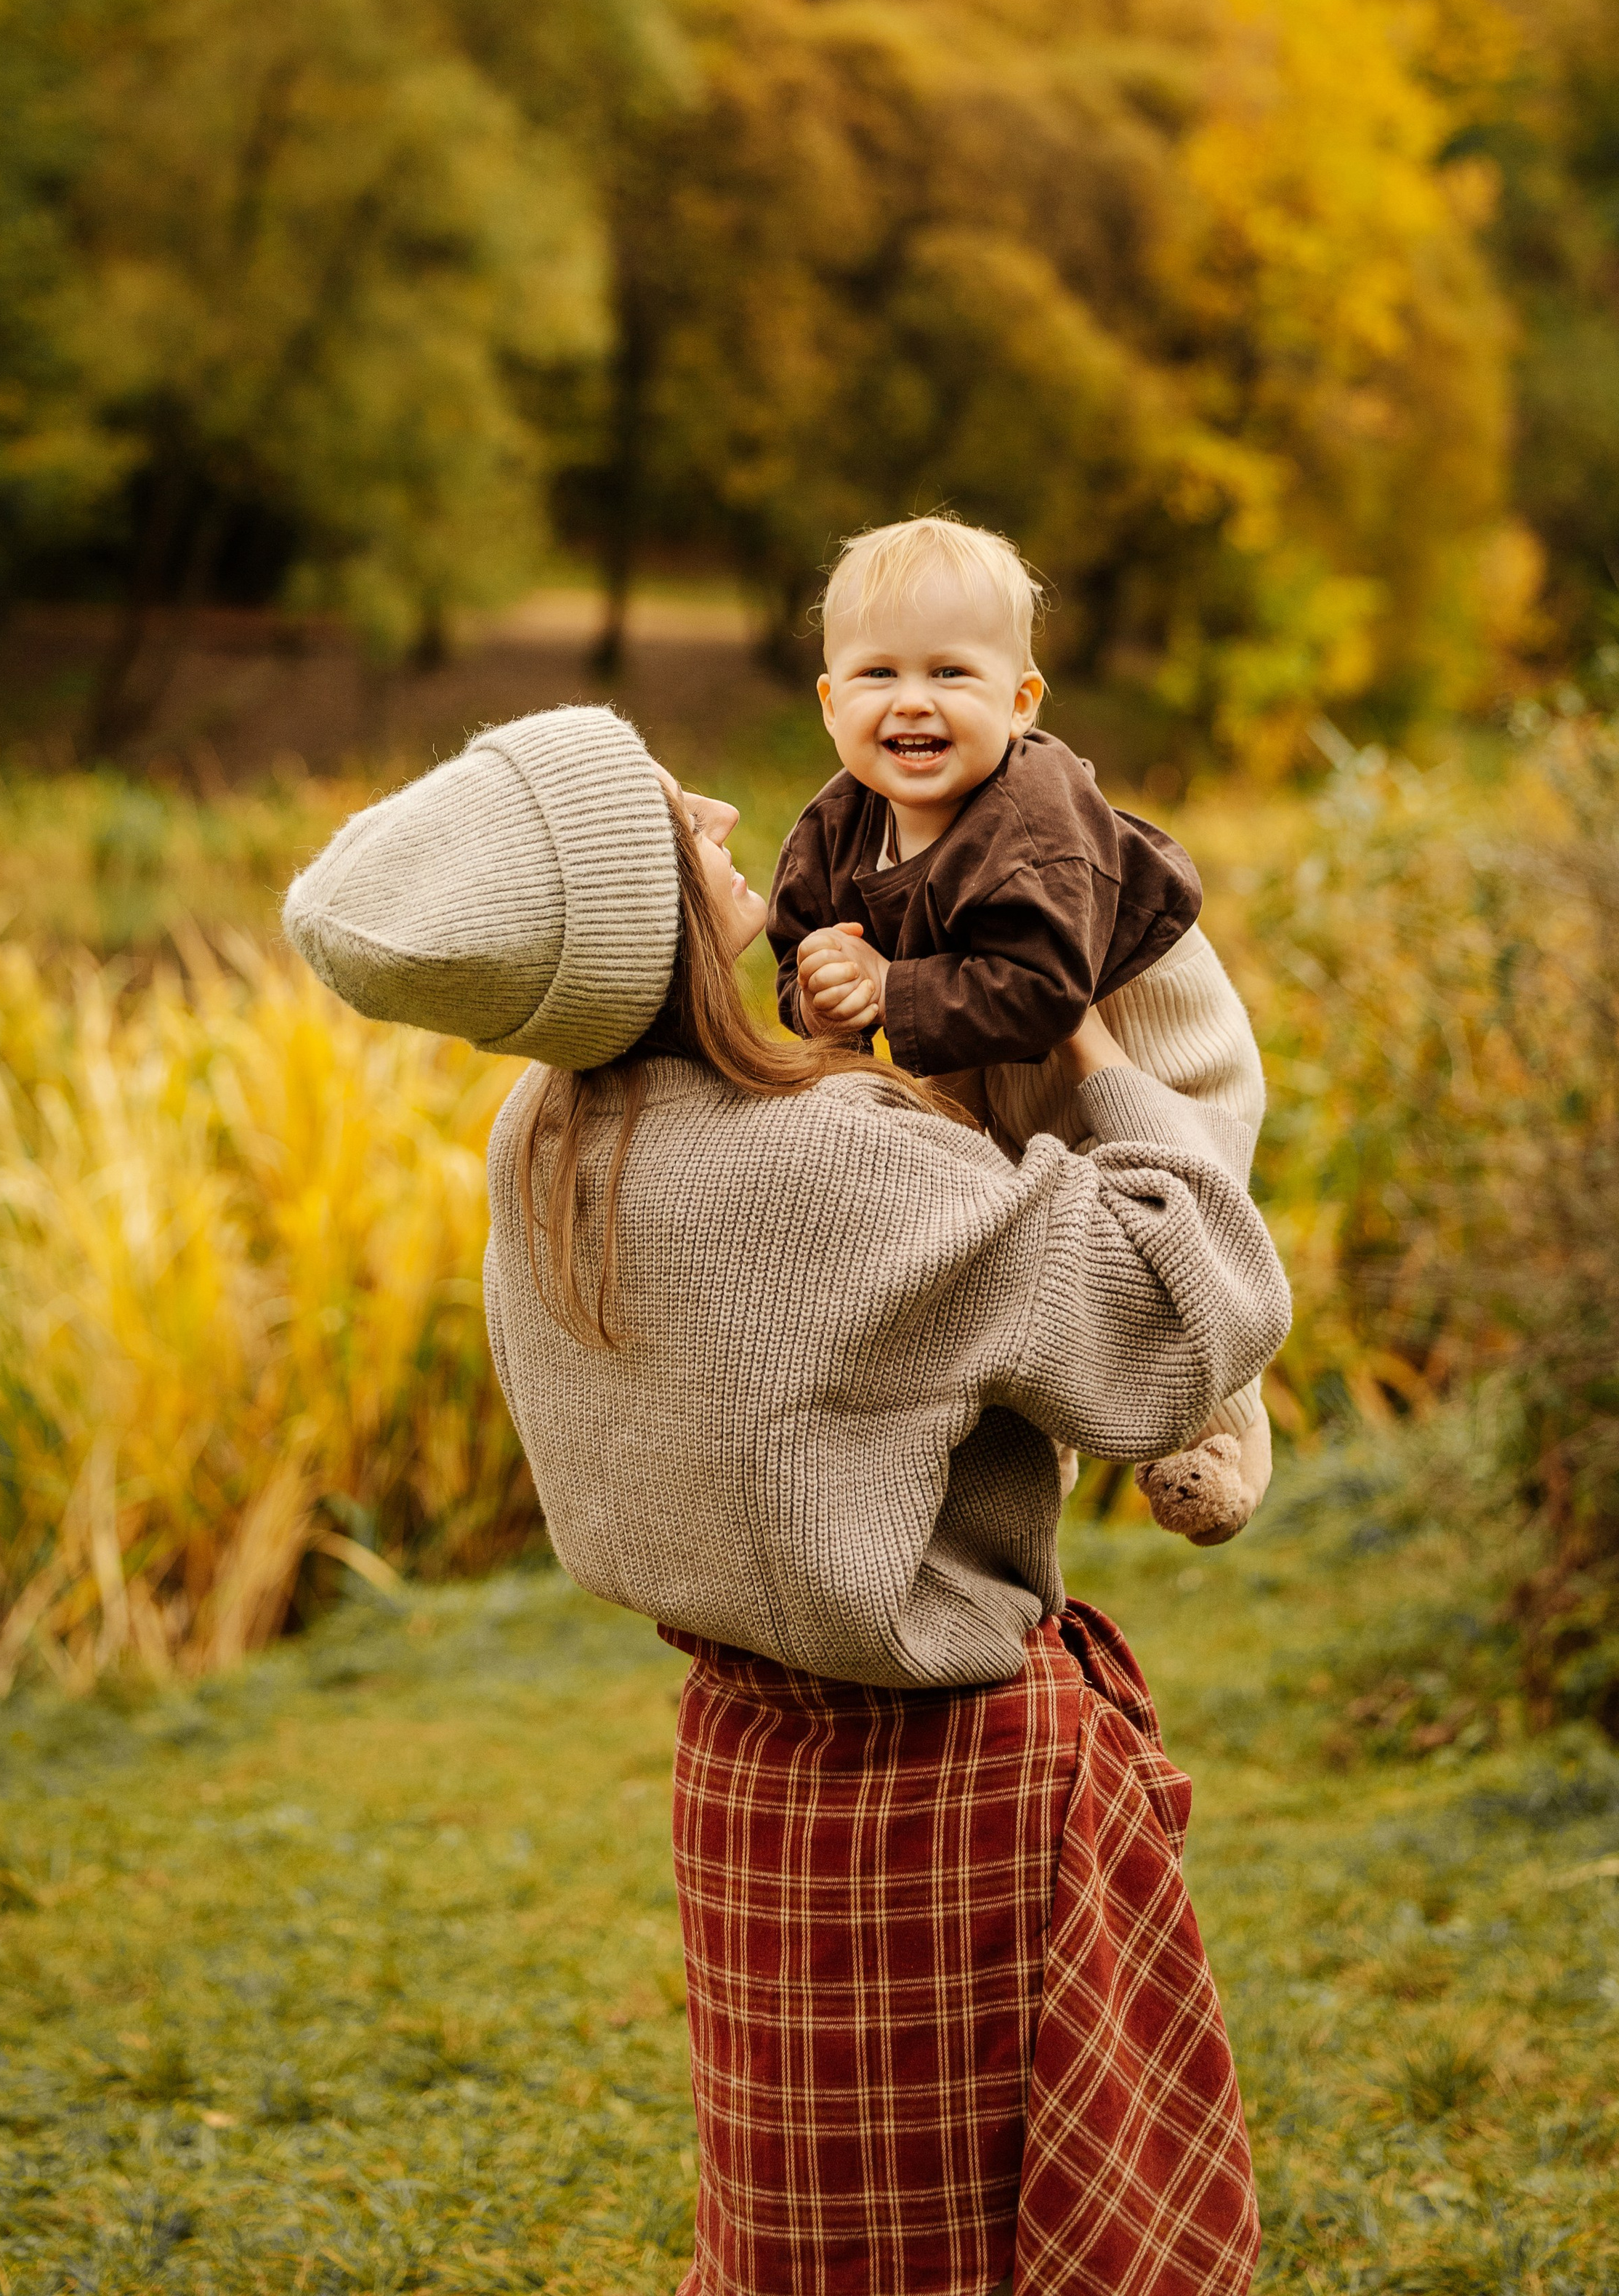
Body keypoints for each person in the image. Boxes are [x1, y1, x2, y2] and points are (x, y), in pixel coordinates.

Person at [283, 703, 1293, 2296]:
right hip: (946, 1785)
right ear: (633, 921)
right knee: (997, 2249)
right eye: (664, 819)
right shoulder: (820, 1164)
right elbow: (1184, 1316)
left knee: (808, 2245)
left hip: (748, 1771)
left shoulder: (548, 1138)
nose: (714, 804)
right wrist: (1102, 1044)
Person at [768, 515, 1272, 1540]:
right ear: (830, 702)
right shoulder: (834, 829)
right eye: (877, 676)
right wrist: (820, 999)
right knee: (1003, 1233)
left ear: (1021, 699)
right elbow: (798, 948)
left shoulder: (1040, 815)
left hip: (1133, 1023)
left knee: (1169, 1211)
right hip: (984, 1061)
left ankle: (1224, 1423)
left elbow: (1045, 992)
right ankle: (1036, 1430)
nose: (912, 702)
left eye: (952, 672)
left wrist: (894, 991)